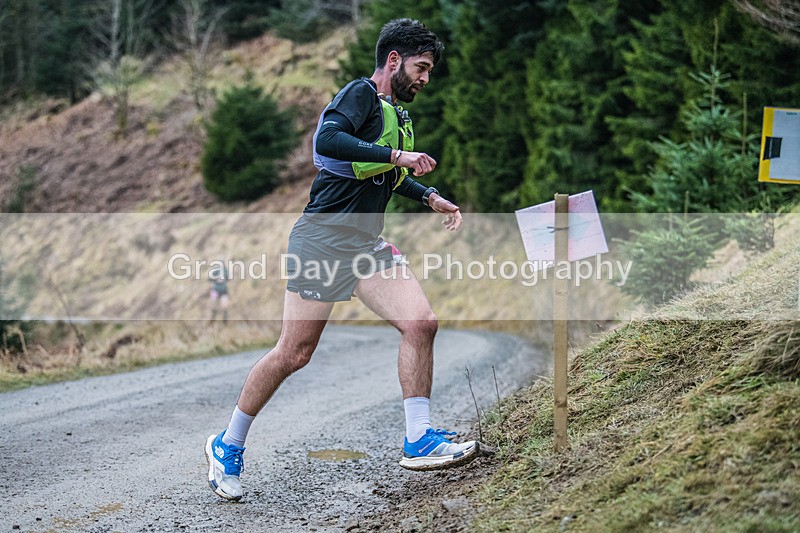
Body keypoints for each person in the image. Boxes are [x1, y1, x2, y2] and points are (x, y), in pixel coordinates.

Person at [205, 18, 478, 502]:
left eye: (429, 70)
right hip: (322, 242)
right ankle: (227, 444)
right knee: (294, 353)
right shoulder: (360, 95)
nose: (425, 79)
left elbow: (382, 173)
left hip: (366, 245)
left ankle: (418, 438)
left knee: (421, 323)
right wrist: (397, 156)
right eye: (420, 67)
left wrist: (428, 195)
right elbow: (327, 144)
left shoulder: (397, 115)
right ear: (393, 60)